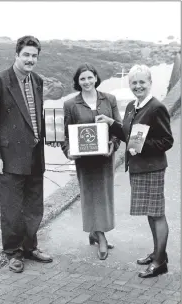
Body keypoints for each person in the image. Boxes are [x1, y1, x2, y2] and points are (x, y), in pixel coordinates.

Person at [0, 36, 53, 273]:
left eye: (34, 56)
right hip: (8, 159)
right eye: (26, 55)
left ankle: (30, 247)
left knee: (34, 207)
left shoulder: (38, 81)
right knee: (11, 209)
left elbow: (37, 119)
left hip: (34, 157)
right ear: (17, 55)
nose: (30, 59)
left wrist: (52, 133)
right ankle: (13, 252)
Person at [96, 64, 174, 277]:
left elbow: (167, 140)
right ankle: (159, 253)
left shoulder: (156, 107)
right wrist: (111, 122)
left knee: (157, 214)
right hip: (138, 168)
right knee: (151, 213)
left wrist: (141, 147)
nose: (138, 86)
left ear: (150, 83)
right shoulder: (132, 106)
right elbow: (127, 134)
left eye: (142, 82)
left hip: (152, 167)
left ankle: (159, 262)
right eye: (134, 82)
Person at [61, 63, 122, 260]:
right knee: (89, 195)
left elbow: (118, 128)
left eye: (89, 77)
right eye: (82, 79)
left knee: (103, 195)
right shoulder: (70, 104)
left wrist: (113, 144)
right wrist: (68, 151)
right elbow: (65, 134)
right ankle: (100, 236)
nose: (87, 82)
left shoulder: (109, 99)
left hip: (105, 158)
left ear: (96, 77)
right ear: (77, 82)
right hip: (84, 160)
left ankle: (96, 232)